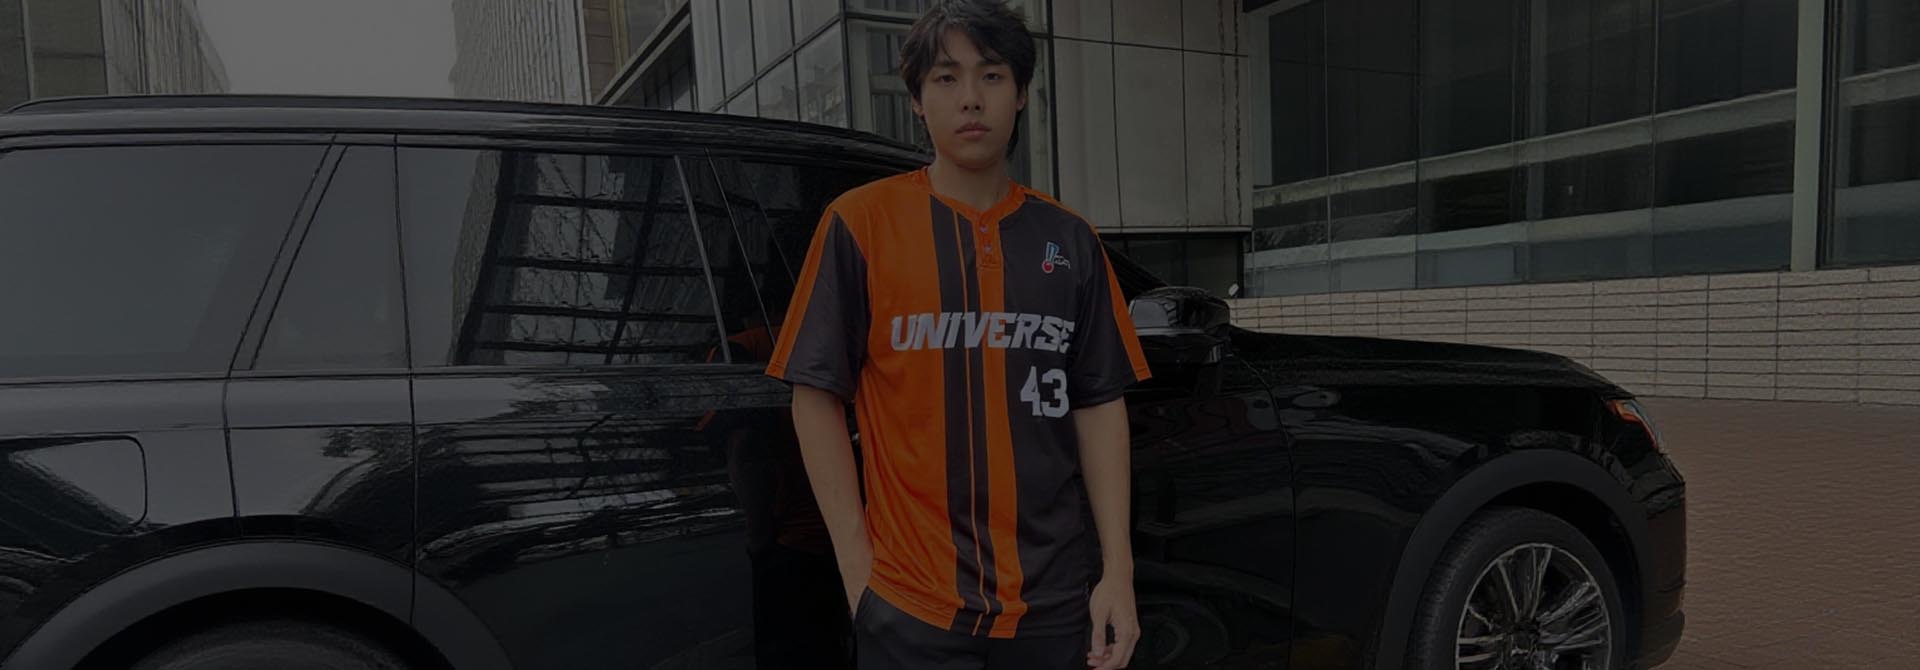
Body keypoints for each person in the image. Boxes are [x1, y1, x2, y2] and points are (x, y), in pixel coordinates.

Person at [763, 1, 1151, 668]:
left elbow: (1098, 404)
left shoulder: (1070, 239)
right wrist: (858, 574)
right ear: (917, 100)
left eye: (992, 76)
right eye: (946, 78)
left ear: (1021, 92)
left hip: (1054, 606)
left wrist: (1118, 572)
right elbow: (814, 395)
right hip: (911, 605)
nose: (971, 98)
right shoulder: (861, 224)